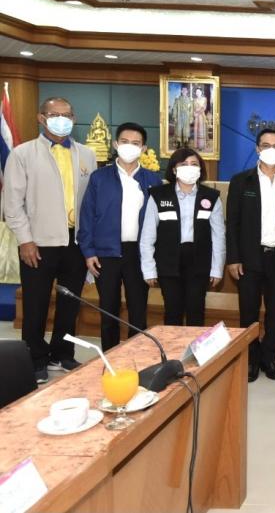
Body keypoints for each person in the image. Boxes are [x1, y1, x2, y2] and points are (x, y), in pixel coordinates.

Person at [3, 97, 97, 382]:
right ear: (41, 118)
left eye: (67, 115)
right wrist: (25, 240)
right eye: (55, 114)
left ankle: (62, 353)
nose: (62, 119)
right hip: (38, 242)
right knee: (35, 304)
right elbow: (12, 203)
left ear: (74, 118)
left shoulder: (87, 154)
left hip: (75, 242)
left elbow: (91, 201)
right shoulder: (22, 154)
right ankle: (35, 358)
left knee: (70, 303)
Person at [227, 129, 275, 382]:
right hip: (249, 259)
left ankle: (269, 358)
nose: (271, 150)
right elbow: (232, 223)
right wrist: (233, 258)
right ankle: (251, 359)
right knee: (248, 313)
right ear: (257, 148)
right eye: (266, 145)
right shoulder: (241, 181)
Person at [77, 122, 161, 351]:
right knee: (109, 312)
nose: (129, 146)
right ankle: (110, 359)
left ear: (144, 148)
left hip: (138, 254)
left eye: (136, 143)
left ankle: (136, 358)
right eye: (125, 142)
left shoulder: (153, 180)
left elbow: (159, 222)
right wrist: (88, 252)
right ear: (115, 144)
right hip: (106, 252)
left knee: (138, 312)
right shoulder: (99, 177)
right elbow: (87, 216)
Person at [140, 148, 225, 327]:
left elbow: (219, 236)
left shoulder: (211, 197)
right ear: (174, 169)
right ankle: (173, 346)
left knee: (196, 312)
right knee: (172, 312)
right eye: (184, 164)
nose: (189, 167)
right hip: (168, 263)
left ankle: (194, 347)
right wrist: (149, 269)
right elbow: (148, 235)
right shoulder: (159, 195)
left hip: (199, 263)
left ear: (200, 169)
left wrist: (217, 269)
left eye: (194, 164)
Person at [192, 87, 208, 151]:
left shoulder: (204, 99)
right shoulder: (194, 100)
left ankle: (201, 146)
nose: (197, 93)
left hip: (201, 115)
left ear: (201, 92)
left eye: (199, 92)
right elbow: (193, 108)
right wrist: (194, 113)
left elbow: (204, 107)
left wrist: (197, 112)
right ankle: (196, 145)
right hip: (196, 116)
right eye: (196, 92)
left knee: (201, 130)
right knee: (196, 130)